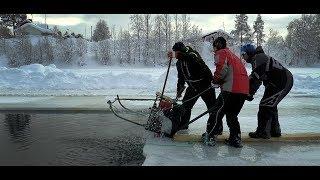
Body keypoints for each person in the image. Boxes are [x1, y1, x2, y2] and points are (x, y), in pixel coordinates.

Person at [202, 37, 249, 148]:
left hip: (231, 89)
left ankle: (211, 135)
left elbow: (222, 68)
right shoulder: (232, 55)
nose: (213, 51)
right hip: (243, 90)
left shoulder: (221, 52)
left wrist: (215, 81)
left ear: (217, 45)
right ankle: (235, 139)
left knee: (216, 111)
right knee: (232, 115)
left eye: (214, 47)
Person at [241, 44, 294, 139]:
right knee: (269, 104)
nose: (243, 57)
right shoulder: (258, 58)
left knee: (265, 105)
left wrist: (249, 93)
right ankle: (274, 131)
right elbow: (258, 77)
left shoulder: (258, 58)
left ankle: (263, 132)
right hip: (280, 81)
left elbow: (256, 78)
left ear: (248, 53)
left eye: (243, 54)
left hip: (282, 81)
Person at [167, 42, 219, 132]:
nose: (175, 54)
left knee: (212, 107)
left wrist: (179, 55)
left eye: (176, 52)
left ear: (181, 51)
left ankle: (216, 128)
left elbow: (195, 61)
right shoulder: (179, 63)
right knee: (186, 105)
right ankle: (183, 125)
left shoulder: (193, 54)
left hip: (205, 84)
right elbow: (181, 78)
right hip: (192, 86)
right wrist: (179, 90)